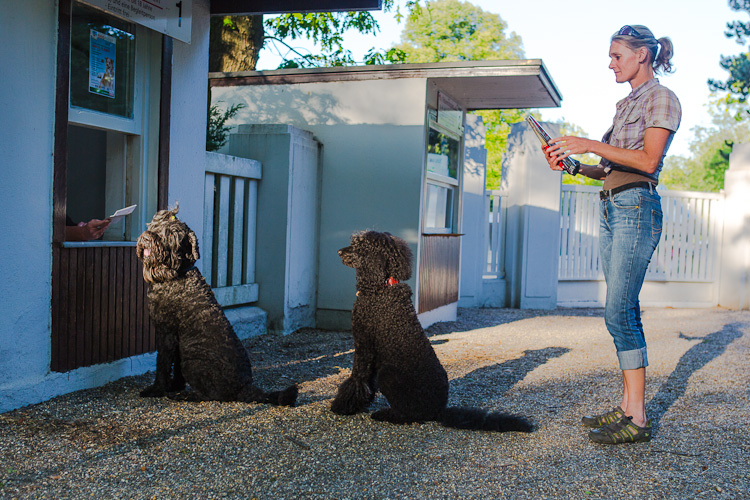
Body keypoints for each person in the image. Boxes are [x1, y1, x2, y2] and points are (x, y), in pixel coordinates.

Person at [543, 25, 681, 444]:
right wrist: (572, 164)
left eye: (617, 55)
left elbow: (648, 159)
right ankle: (626, 408)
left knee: (618, 311)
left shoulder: (662, 97)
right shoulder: (627, 104)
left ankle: (637, 419)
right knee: (623, 310)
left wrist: (588, 142)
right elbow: (607, 169)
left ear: (642, 55)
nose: (611, 63)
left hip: (636, 207)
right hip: (612, 204)